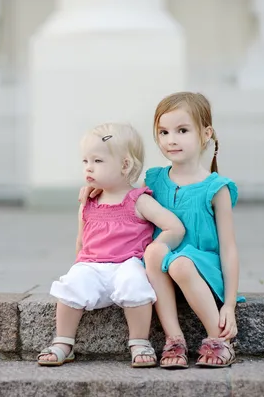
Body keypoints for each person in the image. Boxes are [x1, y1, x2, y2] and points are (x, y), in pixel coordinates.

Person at [80, 92, 245, 369]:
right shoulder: (155, 179)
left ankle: (220, 340)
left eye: (182, 130)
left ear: (206, 134)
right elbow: (125, 194)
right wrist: (98, 187)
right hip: (160, 271)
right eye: (164, 132)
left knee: (179, 262)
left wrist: (228, 304)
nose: (171, 139)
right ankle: (174, 338)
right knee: (155, 252)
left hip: (201, 270)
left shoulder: (216, 188)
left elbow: (228, 249)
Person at [38, 123, 185, 368]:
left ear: (125, 165)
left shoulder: (138, 200)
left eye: (98, 161)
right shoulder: (88, 201)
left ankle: (139, 341)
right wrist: (79, 268)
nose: (88, 167)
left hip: (128, 264)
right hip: (92, 265)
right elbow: (81, 240)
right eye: (85, 161)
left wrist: (154, 250)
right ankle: (63, 341)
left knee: (135, 283)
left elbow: (175, 227)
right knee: (71, 284)